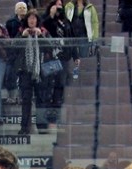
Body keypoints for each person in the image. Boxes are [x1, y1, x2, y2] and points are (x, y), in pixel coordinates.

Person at [43, 0, 79, 128]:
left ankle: (55, 118)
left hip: (64, 58)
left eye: (60, 6)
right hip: (51, 58)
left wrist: (76, 56)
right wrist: (51, 16)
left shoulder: (67, 22)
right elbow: (44, 28)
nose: (58, 8)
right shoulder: (47, 20)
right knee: (49, 86)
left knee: (60, 86)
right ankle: (47, 118)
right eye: (56, 5)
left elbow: (72, 39)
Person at [16, 9, 51, 135]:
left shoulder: (43, 32)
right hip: (25, 71)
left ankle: (42, 126)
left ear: (37, 20)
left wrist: (40, 35)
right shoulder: (21, 32)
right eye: (29, 18)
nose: (32, 20)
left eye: (34, 18)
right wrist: (22, 37)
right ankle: (24, 127)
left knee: (41, 99)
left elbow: (50, 48)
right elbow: (13, 49)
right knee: (26, 100)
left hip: (40, 71)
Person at [5, 2, 29, 106]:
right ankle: (12, 97)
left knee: (25, 77)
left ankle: (22, 97)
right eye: (20, 8)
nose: (22, 9)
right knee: (11, 75)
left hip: (26, 53)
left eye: (24, 8)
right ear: (16, 10)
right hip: (13, 52)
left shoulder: (29, 21)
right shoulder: (10, 22)